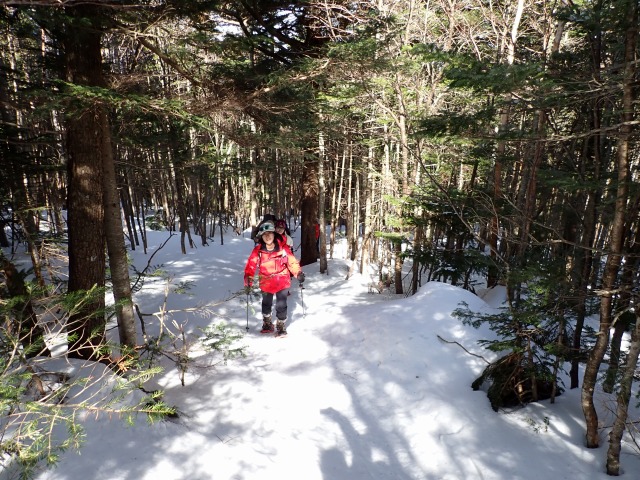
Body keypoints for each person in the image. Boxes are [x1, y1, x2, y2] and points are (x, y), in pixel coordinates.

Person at [244, 221, 305, 336]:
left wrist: (298, 273)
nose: (267, 236)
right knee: (266, 303)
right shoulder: (258, 250)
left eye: (269, 233)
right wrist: (248, 278)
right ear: (261, 237)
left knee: (281, 305)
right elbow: (251, 265)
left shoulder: (283, 247)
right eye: (264, 234)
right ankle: (267, 323)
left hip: (282, 279)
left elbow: (291, 262)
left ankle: (281, 325)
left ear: (274, 234)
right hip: (266, 281)